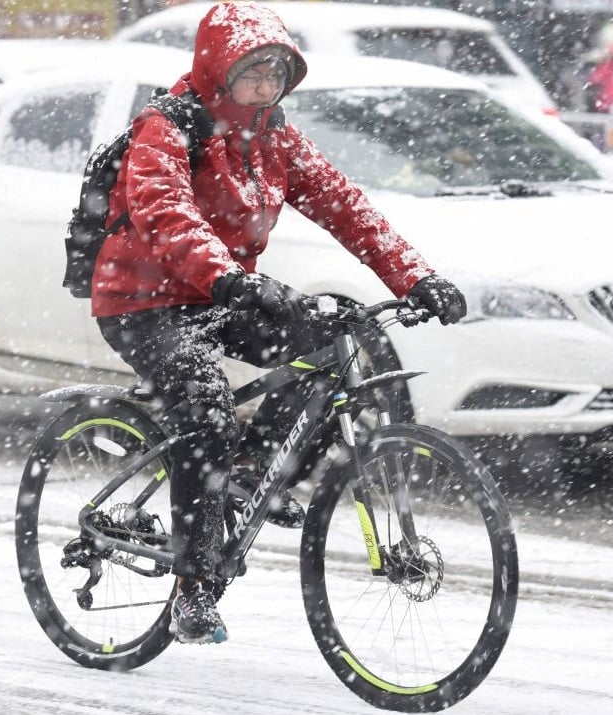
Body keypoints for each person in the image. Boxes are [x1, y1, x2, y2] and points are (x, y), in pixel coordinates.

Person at [90, 1, 466, 645]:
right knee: (205, 409)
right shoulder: (168, 128)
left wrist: (416, 276)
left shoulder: (274, 136)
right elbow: (166, 215)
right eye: (252, 72)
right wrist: (232, 278)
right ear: (217, 71)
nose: (266, 86)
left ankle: (247, 476)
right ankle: (193, 588)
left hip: (219, 292)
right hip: (143, 302)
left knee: (331, 352)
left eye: (276, 73)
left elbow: (348, 208)